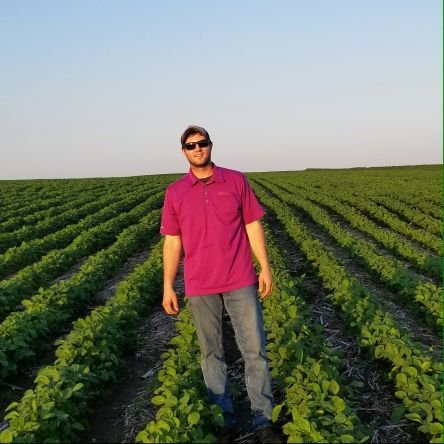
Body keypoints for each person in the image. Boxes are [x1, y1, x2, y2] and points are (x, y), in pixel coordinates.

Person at [160, 125, 280, 443]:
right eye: (191, 145)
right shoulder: (175, 192)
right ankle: (224, 420)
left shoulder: (236, 180)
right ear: (183, 151)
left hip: (240, 277)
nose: (197, 148)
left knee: (254, 351)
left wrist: (264, 267)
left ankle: (263, 421)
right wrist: (168, 285)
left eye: (202, 143)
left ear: (211, 146)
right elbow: (172, 243)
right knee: (211, 354)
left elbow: (253, 225)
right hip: (199, 284)